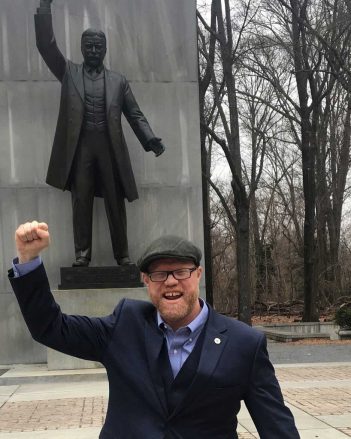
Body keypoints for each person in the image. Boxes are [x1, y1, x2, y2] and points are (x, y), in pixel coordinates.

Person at [9, 221, 300, 439]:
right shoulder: (123, 326)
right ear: (146, 281)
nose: (171, 281)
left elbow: (277, 428)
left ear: (197, 274)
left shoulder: (244, 343)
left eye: (181, 271)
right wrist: (28, 259)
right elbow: (50, 328)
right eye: (159, 274)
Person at [35, 0, 166, 267]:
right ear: (82, 49)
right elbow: (46, 47)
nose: (94, 50)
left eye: (98, 46)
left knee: (115, 202)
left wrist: (149, 138)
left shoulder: (118, 80)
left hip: (110, 148)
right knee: (81, 200)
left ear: (105, 50)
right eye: (89, 46)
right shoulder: (69, 73)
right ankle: (82, 254)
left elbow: (134, 113)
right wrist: (44, 8)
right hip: (81, 148)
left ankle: (123, 255)